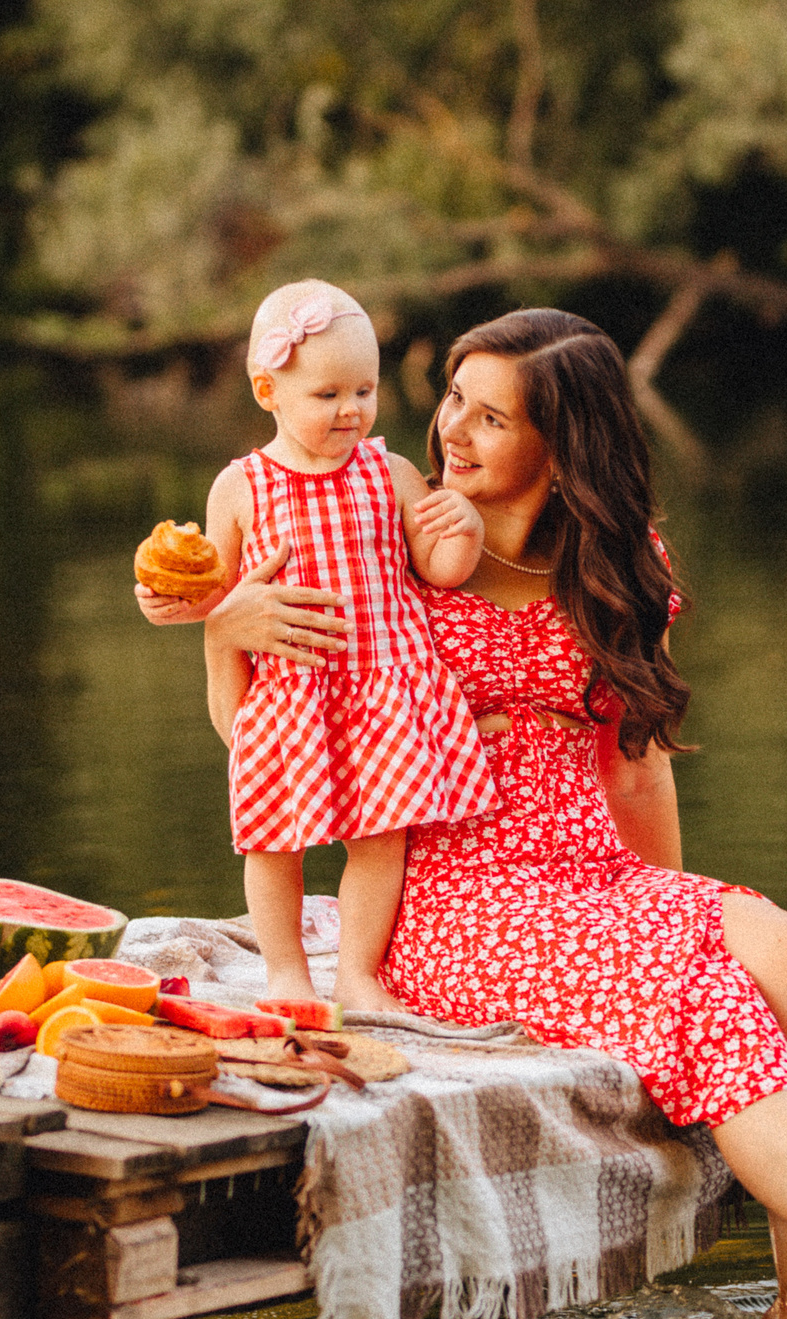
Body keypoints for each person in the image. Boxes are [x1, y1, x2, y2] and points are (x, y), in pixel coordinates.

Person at [162, 306, 787, 1319]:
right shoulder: (387, 537)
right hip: (451, 897)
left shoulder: (619, 559)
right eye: (453, 395)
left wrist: (665, 904)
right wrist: (223, 625)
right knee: (708, 1000)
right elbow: (262, 706)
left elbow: (638, 766)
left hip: (589, 871)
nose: (450, 430)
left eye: (491, 416)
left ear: (564, 446)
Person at [140, 280, 496, 1014]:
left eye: (364, 390)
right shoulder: (242, 487)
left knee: (381, 840)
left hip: (384, 690)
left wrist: (464, 525)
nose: (351, 410)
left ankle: (358, 975)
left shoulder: (388, 472)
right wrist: (168, 602)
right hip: (290, 698)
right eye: (327, 393)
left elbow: (440, 571)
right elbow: (218, 591)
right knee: (274, 844)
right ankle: (287, 975)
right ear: (268, 390)